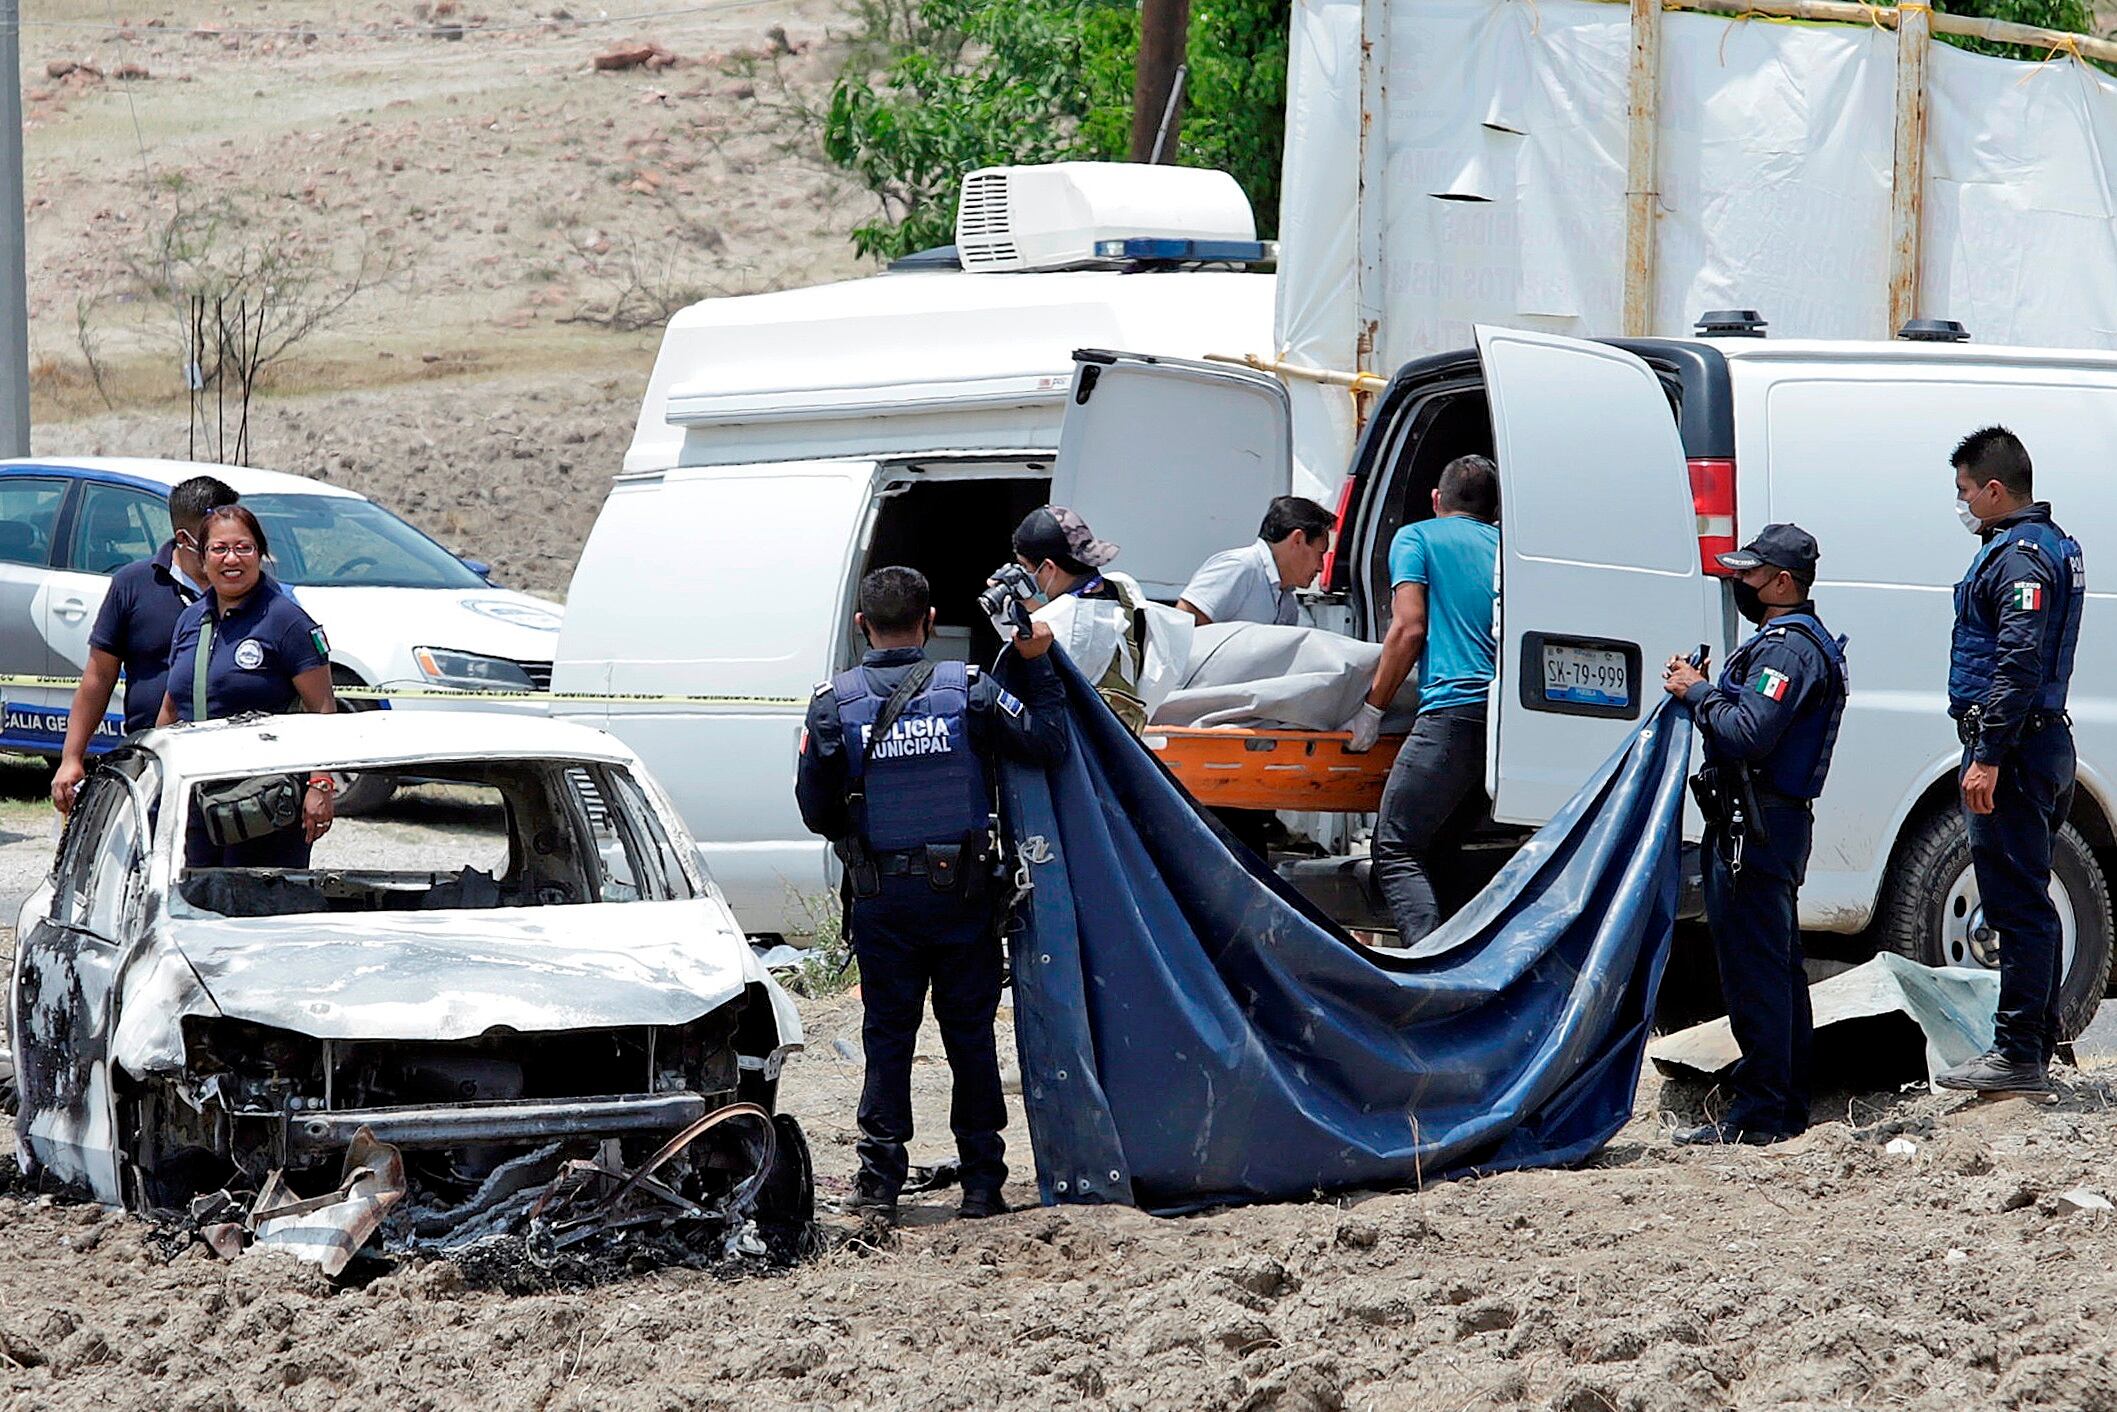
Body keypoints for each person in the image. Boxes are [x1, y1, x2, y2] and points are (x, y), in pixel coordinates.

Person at [795, 565, 1068, 1224]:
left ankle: (880, 1184)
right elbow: (1049, 743)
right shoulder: (971, 691)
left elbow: (815, 810)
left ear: (862, 626)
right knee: (969, 1039)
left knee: (887, 1037)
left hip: (883, 898)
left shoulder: (834, 702)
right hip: (964, 899)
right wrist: (1040, 664)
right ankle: (981, 1184)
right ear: (929, 621)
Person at [1661, 524, 1848, 1145]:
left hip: (1760, 826)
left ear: (1784, 583)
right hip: (1755, 822)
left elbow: (1748, 733)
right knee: (1772, 965)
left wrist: (1698, 692)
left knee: (1757, 973)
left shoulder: (1790, 651)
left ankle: (1765, 1111)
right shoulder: (1779, 643)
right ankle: (1782, 1095)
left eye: (1752, 574)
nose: (1741, 583)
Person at [1933, 427, 2084, 1095]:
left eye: (1965, 490)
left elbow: (2017, 663)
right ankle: (2037, 1039)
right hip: (2033, 741)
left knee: (2015, 902)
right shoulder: (2038, 546)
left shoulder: (2021, 557)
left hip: (2017, 748)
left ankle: (2019, 1052)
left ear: (1994, 489)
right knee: (2026, 897)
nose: (1961, 502)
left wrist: (1987, 754)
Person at [1346, 455, 1501, 942]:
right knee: (1444, 851)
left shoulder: (1416, 537)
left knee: (1396, 846)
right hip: (1505, 722)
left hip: (1451, 712)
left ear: (1438, 500)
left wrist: (1373, 708)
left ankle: (1426, 971)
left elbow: (1408, 628)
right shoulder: (1510, 548)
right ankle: (1464, 968)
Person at [157, 504, 339, 868]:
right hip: (199, 799)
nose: (231, 559)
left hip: (265, 806)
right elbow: (172, 707)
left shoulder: (286, 621)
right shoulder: (191, 620)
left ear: (260, 554)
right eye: (220, 549)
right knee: (197, 909)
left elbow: (322, 708)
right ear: (202, 557)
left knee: (259, 912)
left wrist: (320, 784)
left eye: (243, 548)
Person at [50, 474, 240, 814]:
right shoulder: (133, 585)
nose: (229, 555)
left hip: (232, 762)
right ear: (185, 538)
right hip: (154, 760)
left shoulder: (249, 590)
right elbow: (98, 678)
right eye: (215, 542)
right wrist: (71, 757)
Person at [1012, 504, 1152, 733]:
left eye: (1027, 568)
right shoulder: (1125, 590)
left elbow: (1023, 694)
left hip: (1078, 753)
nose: (1029, 578)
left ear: (1048, 567)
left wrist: (1010, 619)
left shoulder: (1059, 621)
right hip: (1124, 741)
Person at [1176, 496, 1336, 627]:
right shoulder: (1239, 568)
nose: (1321, 567)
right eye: (1320, 553)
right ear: (1298, 540)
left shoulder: (1286, 599)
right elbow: (1182, 627)